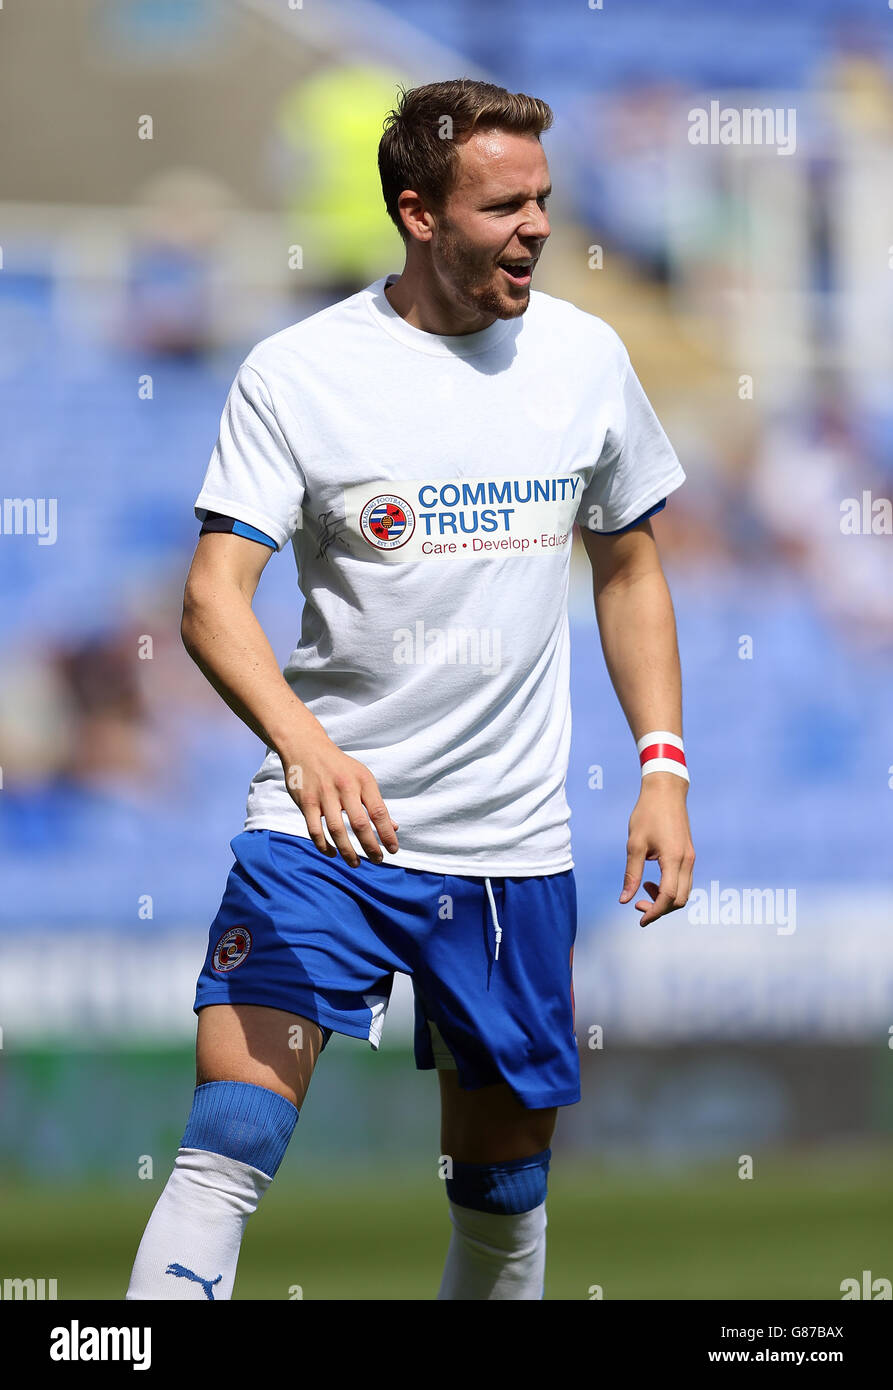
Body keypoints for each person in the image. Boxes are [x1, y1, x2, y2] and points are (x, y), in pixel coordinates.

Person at [126, 77, 695, 1302]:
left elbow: (630, 563)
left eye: (544, 199)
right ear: (417, 213)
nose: (537, 226)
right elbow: (211, 598)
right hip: (319, 833)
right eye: (504, 205)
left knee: (498, 1204)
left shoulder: (586, 359)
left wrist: (661, 764)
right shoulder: (299, 373)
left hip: (505, 852)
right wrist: (301, 747)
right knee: (230, 1144)